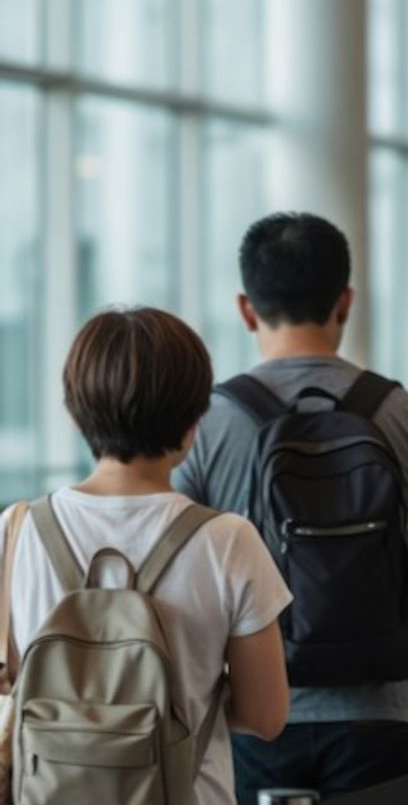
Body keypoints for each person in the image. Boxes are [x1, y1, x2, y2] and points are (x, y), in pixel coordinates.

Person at [173, 213, 408, 803]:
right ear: (347, 301)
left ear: (245, 307)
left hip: (252, 714)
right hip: (381, 712)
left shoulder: (206, 424)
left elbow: (180, 586)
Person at [5, 308, 291, 805]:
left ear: (75, 415)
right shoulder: (229, 541)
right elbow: (266, 718)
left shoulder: (14, 532)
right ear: (192, 425)